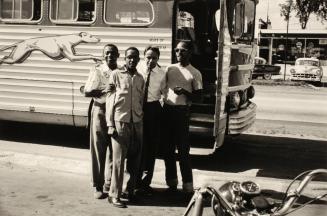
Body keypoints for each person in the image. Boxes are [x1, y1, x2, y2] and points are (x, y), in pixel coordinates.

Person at [106, 47, 144, 208]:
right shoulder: (116, 75)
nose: (132, 60)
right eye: (129, 57)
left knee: (135, 161)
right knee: (119, 161)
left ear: (138, 59)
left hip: (136, 122)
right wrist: (110, 124)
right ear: (125, 58)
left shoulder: (140, 78)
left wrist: (140, 120)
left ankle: (130, 191)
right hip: (120, 122)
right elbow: (109, 100)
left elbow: (141, 100)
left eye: (135, 57)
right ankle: (114, 194)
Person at [162, 41, 203, 193]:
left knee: (183, 151)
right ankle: (171, 182)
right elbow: (160, 87)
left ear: (190, 53)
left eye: (182, 50)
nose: (178, 53)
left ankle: (188, 185)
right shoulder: (169, 69)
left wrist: (185, 92)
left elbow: (199, 98)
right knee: (168, 150)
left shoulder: (195, 72)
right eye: (176, 50)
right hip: (167, 111)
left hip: (182, 113)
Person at [84, 44, 120, 199]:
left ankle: (109, 183)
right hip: (101, 109)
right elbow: (87, 92)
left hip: (117, 112)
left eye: (112, 53)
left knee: (115, 149)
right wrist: (103, 91)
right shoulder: (97, 71)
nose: (109, 56)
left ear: (118, 55)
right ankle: (97, 186)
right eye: (106, 53)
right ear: (103, 55)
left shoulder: (121, 71)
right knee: (99, 148)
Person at [136, 46, 165, 194]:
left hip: (153, 109)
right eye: (148, 57)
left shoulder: (162, 74)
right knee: (137, 145)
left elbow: (164, 93)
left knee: (151, 146)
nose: (150, 60)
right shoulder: (137, 68)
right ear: (143, 57)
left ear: (158, 58)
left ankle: (146, 183)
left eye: (154, 58)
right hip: (138, 108)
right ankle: (134, 181)